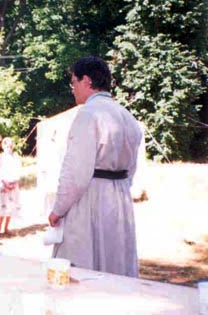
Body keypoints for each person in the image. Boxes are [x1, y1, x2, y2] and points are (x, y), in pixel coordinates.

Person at [48, 56, 143, 277]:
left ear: (87, 81)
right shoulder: (127, 116)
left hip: (90, 200)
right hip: (120, 199)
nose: (72, 89)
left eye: (74, 82)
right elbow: (131, 170)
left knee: (83, 269)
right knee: (115, 263)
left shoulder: (88, 114)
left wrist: (58, 209)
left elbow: (76, 172)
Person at [0, 137, 21, 236]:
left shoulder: (16, 157)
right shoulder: (0, 157)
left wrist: (14, 183)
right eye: (7, 146)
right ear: (3, 146)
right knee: (2, 206)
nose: (9, 148)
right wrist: (5, 183)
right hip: (3, 185)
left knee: (11, 207)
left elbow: (18, 170)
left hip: (14, 185)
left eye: (11, 146)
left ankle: (6, 228)